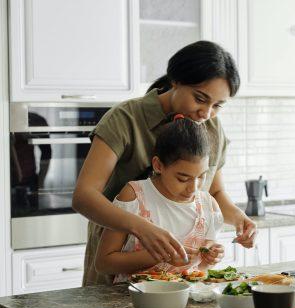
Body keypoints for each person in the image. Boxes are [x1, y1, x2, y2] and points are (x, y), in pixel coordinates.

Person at [72, 40, 258, 286]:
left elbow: (214, 191)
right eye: (200, 98)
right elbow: (84, 196)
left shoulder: (211, 127)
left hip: (180, 279)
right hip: (118, 269)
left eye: (217, 106)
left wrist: (239, 219)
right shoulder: (125, 119)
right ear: (176, 81)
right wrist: (142, 228)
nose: (206, 113)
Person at [95, 116, 225, 282]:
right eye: (183, 178)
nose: (193, 188)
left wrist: (212, 257)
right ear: (158, 165)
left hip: (187, 302)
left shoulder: (208, 205)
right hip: (134, 301)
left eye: (202, 176)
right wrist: (159, 256)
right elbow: (103, 263)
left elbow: (201, 268)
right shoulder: (135, 196)